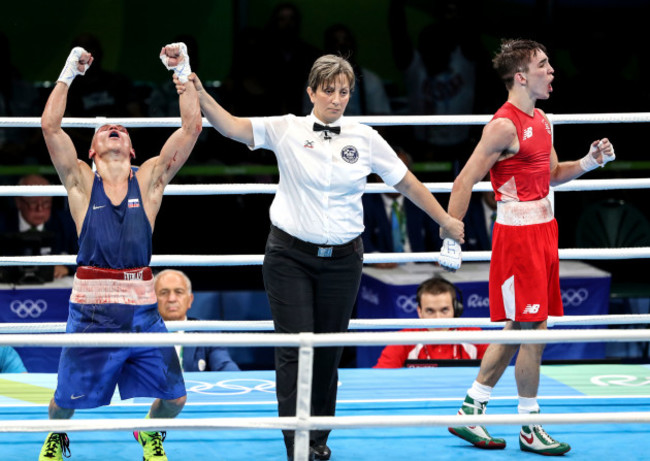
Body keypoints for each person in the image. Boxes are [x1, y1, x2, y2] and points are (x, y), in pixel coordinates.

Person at [177, 53, 464, 461]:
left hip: (345, 260)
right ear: (311, 91)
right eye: (328, 90)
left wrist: (445, 221)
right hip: (289, 256)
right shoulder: (287, 128)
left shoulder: (365, 137)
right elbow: (231, 127)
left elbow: (407, 183)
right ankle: (295, 442)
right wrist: (200, 93)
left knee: (328, 349)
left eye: (344, 91)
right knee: (296, 347)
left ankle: (317, 439)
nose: (337, 98)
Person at [440, 38, 615, 456]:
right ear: (521, 77)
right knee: (532, 330)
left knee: (519, 327)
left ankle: (471, 411)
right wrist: (451, 233)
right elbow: (464, 181)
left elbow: (552, 174)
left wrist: (590, 161)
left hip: (544, 231)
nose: (551, 70)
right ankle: (529, 424)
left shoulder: (543, 119)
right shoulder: (503, 125)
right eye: (543, 64)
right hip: (517, 238)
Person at [38, 42, 202, 461]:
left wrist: (182, 71)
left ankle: (150, 434)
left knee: (176, 398)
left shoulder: (147, 179)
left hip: (141, 311)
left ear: (131, 150)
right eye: (105, 128)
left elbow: (191, 130)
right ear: (91, 150)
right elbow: (51, 128)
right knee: (65, 399)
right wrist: (69, 70)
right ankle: (55, 436)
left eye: (123, 130)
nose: (115, 127)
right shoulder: (79, 181)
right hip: (90, 309)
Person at [374, 277, 487, 367]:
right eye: (430, 311)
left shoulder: (475, 337)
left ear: (456, 309)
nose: (438, 319)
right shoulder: (404, 340)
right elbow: (379, 379)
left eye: (444, 310)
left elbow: (497, 377)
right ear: (420, 312)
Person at [362, 147, 442, 268]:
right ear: (376, 174)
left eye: (402, 171)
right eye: (388, 170)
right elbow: (361, 241)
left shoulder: (422, 200)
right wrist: (375, 258)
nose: (396, 177)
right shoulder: (364, 203)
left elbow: (439, 234)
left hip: (421, 270)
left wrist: (442, 254)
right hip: (383, 274)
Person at [155, 269, 240, 372]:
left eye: (179, 292)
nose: (172, 298)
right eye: (164, 293)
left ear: (190, 300)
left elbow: (225, 367)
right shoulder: (140, 333)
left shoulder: (207, 332)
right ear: (153, 300)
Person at [0, 174, 77, 280]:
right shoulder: (2, 223)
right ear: (18, 202)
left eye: (46, 203)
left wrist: (68, 267)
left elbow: (88, 256)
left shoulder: (67, 223)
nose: (39, 209)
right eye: (33, 203)